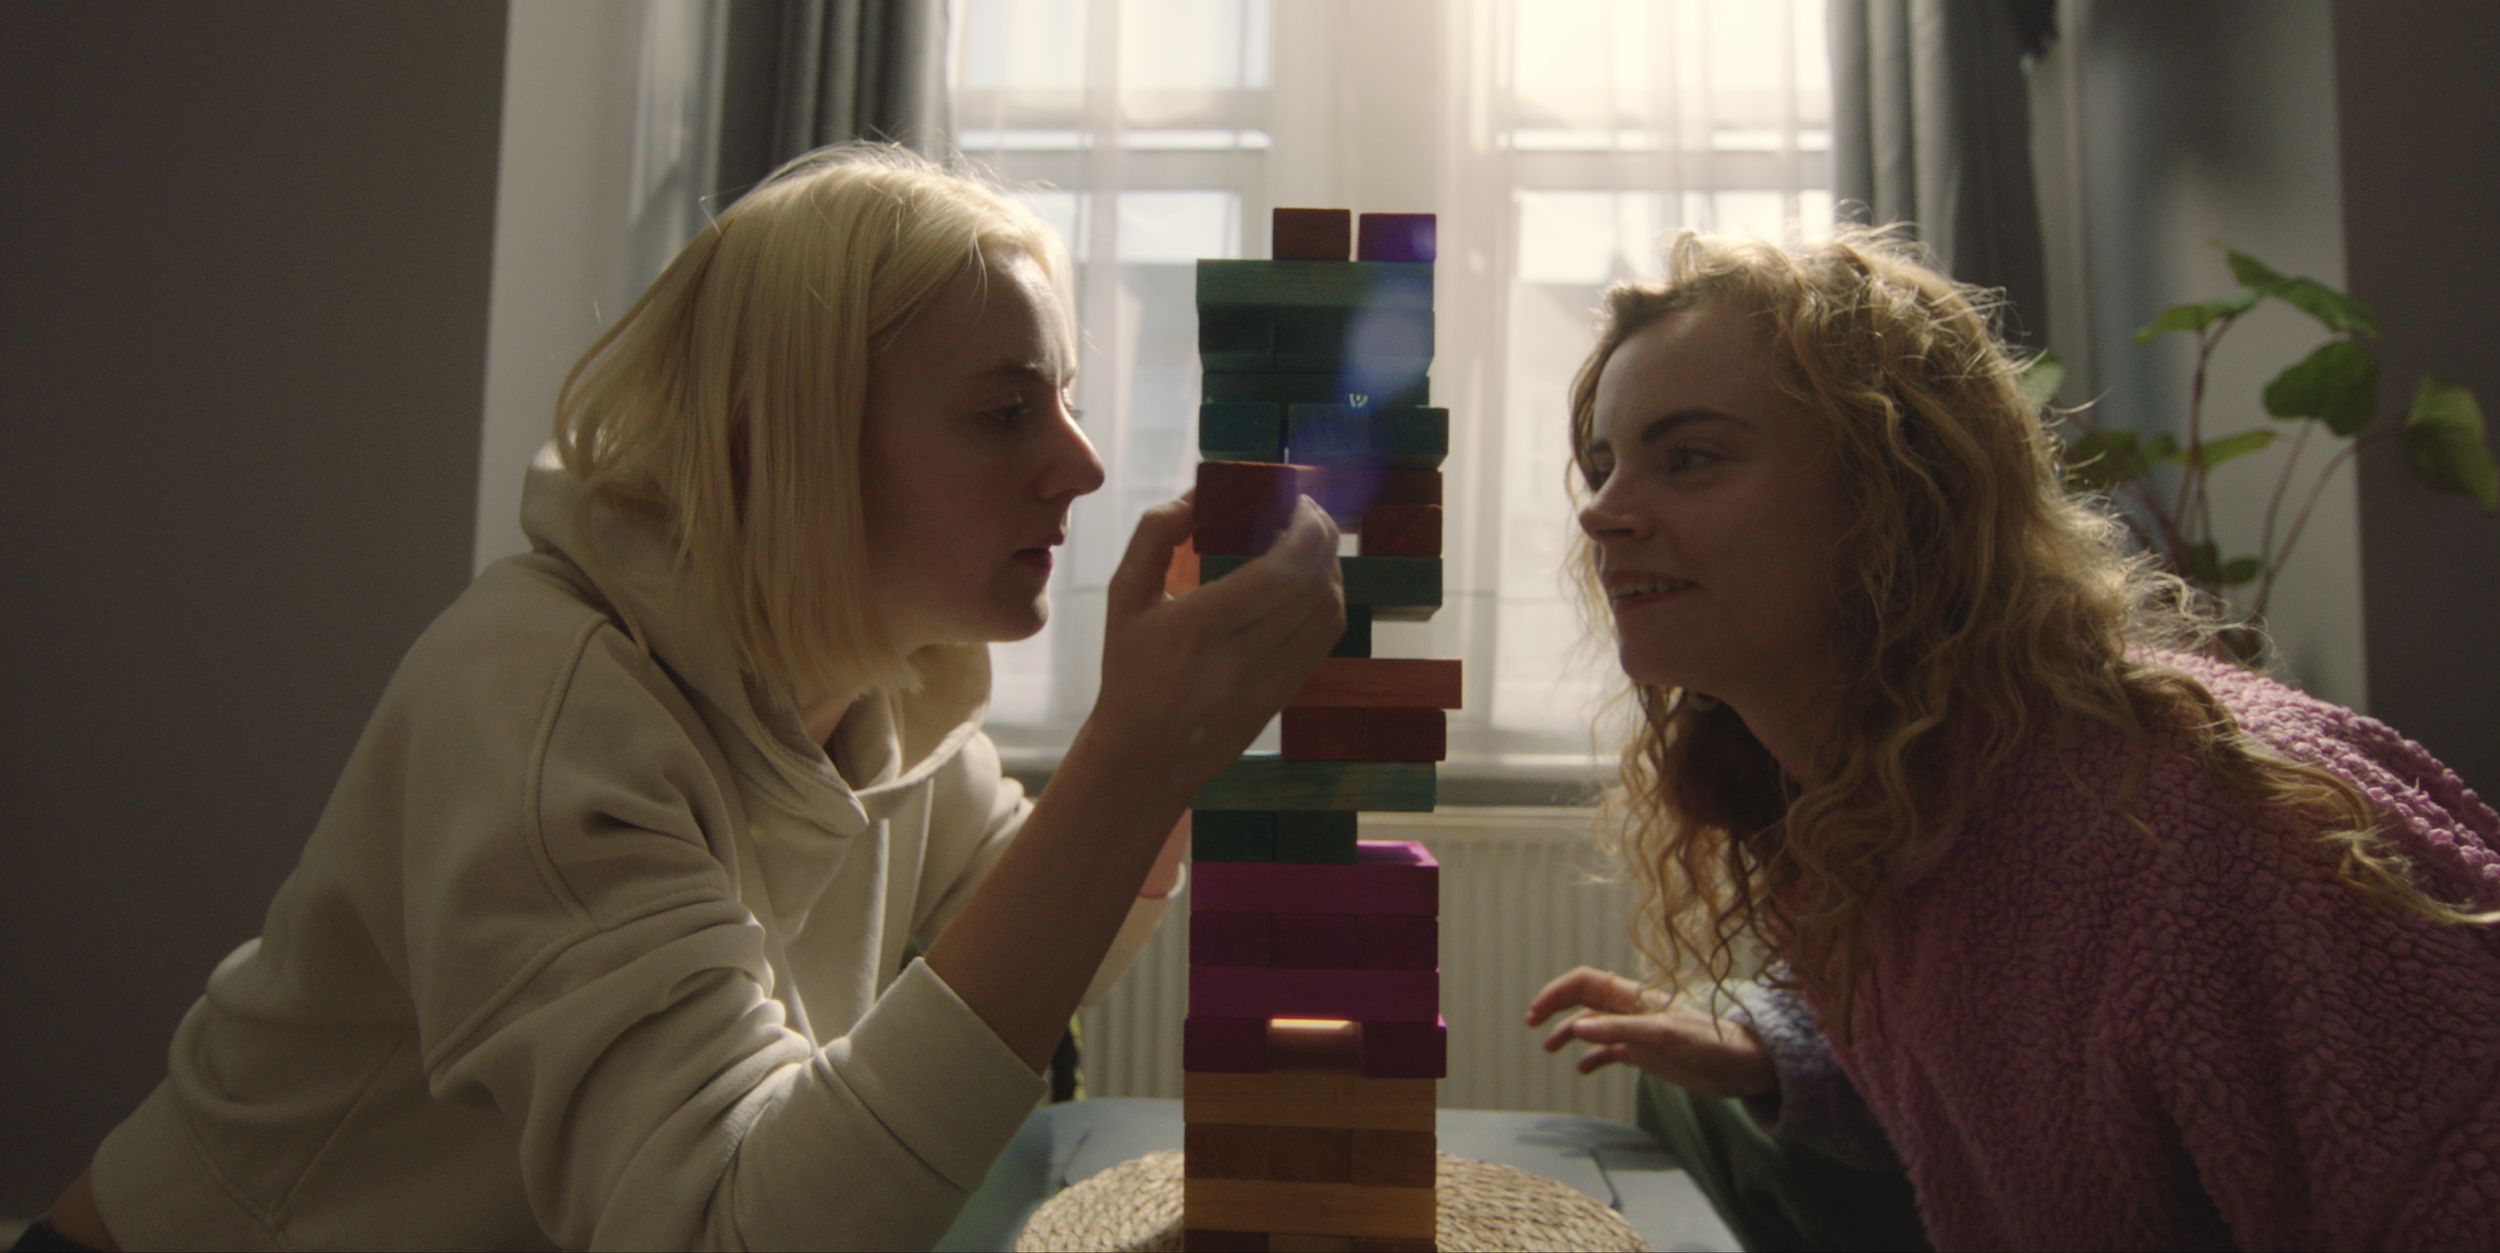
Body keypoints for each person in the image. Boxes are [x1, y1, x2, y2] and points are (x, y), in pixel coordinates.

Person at [22, 145, 1345, 1252]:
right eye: (1005, 411)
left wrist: (1170, 762)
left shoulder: (882, 689)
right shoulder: (543, 704)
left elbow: (1013, 934)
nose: (1084, 462)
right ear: (785, 438)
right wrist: (1128, 760)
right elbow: (726, 1225)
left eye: (1063, 400)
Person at [1524, 228, 2500, 1250]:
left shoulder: (2213, 826)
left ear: (1898, 490)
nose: (1601, 514)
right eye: (1602, 465)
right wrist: (1775, 1056)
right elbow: (1995, 1083)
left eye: (1689, 457)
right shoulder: (1863, 809)